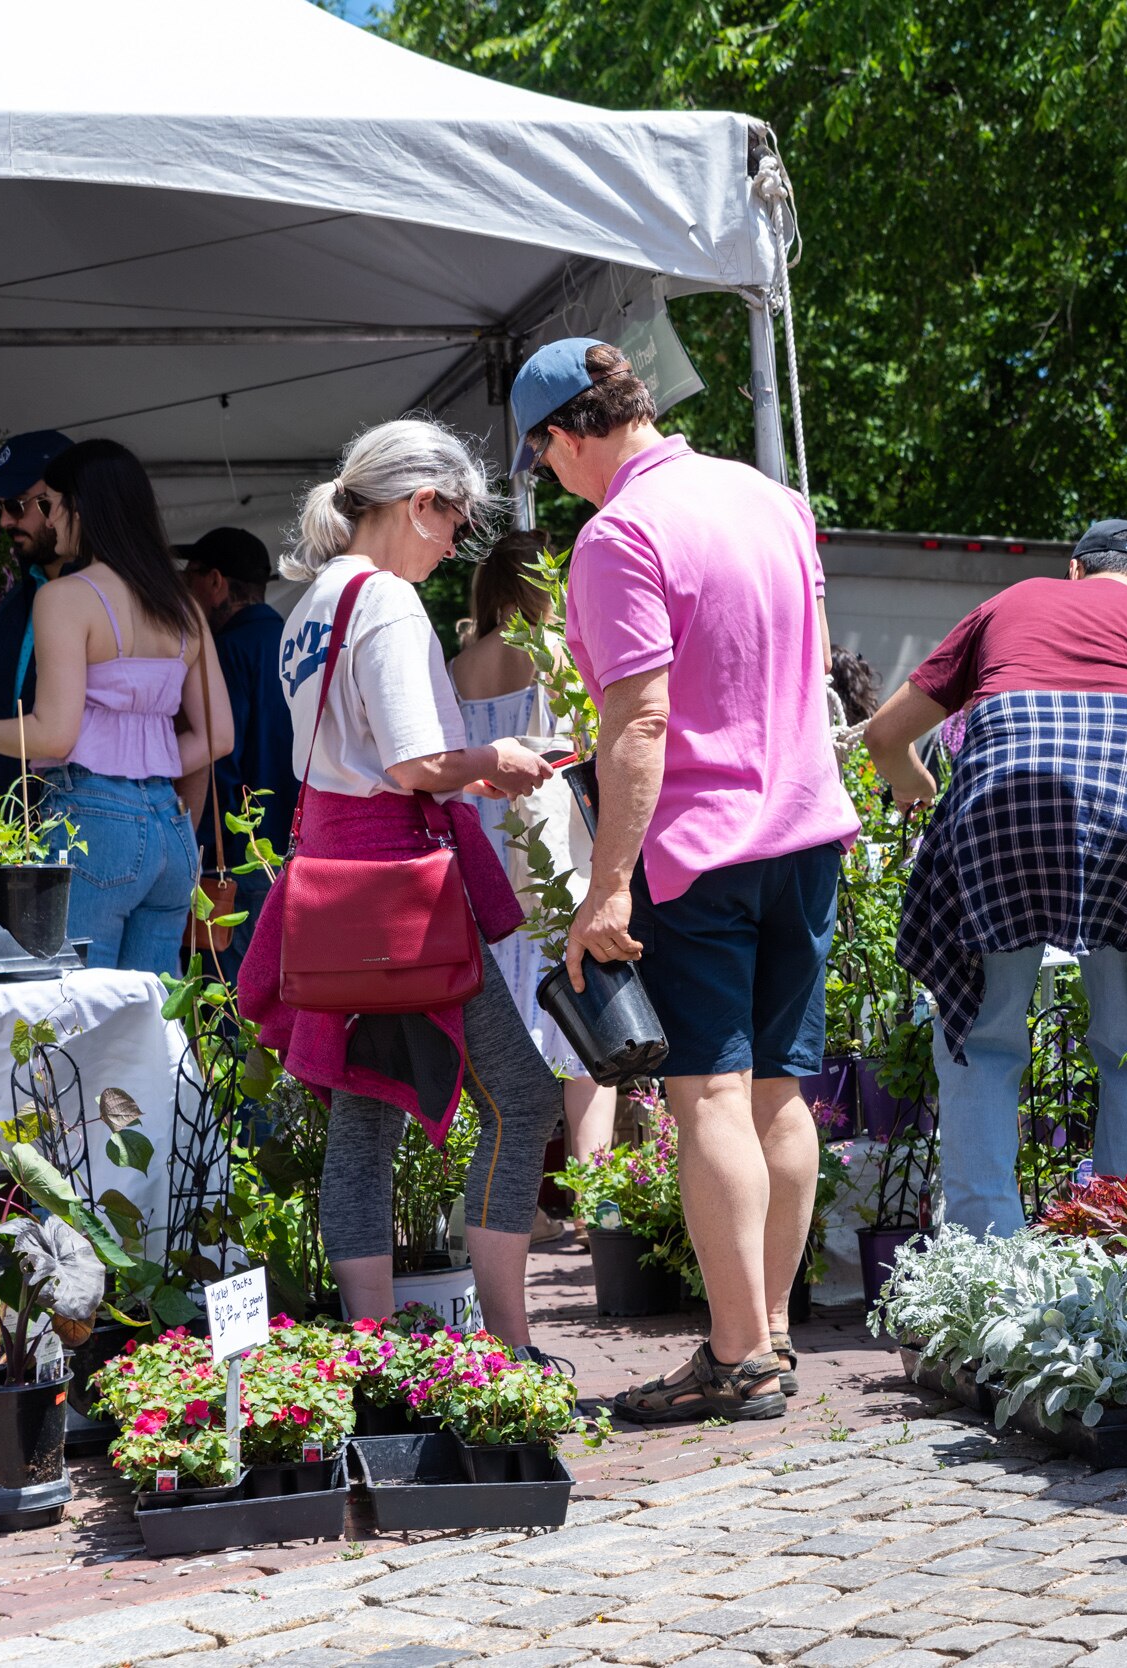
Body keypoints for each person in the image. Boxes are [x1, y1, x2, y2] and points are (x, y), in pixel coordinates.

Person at [514, 338, 860, 1423]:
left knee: (707, 1092)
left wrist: (605, 886)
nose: (553, 482)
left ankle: (738, 1353)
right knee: (780, 1093)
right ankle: (775, 1334)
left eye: (544, 460)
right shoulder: (773, 499)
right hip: (805, 831)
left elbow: (642, 720)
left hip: (702, 845)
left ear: (567, 435)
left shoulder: (620, 534)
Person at [235, 418, 564, 1355]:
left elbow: (355, 755)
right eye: (454, 523)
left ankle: (372, 1353)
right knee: (524, 1098)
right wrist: (494, 756)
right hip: (400, 890)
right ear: (419, 503)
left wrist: (470, 766)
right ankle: (507, 1345)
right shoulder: (384, 599)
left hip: (336, 887)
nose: (456, 545)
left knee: (364, 1111)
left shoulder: (313, 603)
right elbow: (417, 762)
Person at [864, 520, 1127, 1234]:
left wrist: (916, 793)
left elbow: (885, 737)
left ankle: (984, 1265)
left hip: (998, 817)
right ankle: (1122, 1257)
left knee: (982, 1034)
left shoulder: (1008, 604)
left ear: (1074, 570)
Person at [0, 440, 227, 971]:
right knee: (150, 1023)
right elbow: (218, 737)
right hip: (169, 828)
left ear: (79, 507)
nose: (48, 516)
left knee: (69, 1020)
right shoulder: (182, 604)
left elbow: (52, 735)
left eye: (50, 504)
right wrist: (142, 774)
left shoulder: (65, 597)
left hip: (90, 820)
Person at [447, 530, 615, 1168]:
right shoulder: (558, 652)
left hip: (483, 861)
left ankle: (507, 1193)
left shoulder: (459, 664)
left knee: (498, 1029)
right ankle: (592, 1192)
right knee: (585, 1032)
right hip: (552, 854)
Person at [180, 526, 295, 981]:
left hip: (234, 860)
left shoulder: (225, 652)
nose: (184, 589)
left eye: (189, 576)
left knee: (227, 1007)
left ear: (215, 581)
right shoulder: (293, 645)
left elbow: (218, 764)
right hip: (292, 855)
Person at [0, 430, 75, 805]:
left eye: (17, 505)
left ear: (63, 502)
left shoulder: (110, 597)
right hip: (3, 834)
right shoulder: (13, 604)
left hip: (78, 832)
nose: (4, 521)